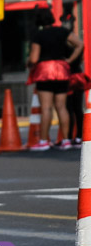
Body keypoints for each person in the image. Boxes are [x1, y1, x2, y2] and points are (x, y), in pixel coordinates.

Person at [27, 8, 83, 151]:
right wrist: (69, 60)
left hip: (45, 71)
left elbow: (34, 58)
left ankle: (44, 141)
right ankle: (66, 140)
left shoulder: (38, 35)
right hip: (62, 70)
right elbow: (80, 44)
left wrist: (28, 62)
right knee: (62, 107)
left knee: (46, 107)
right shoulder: (62, 32)